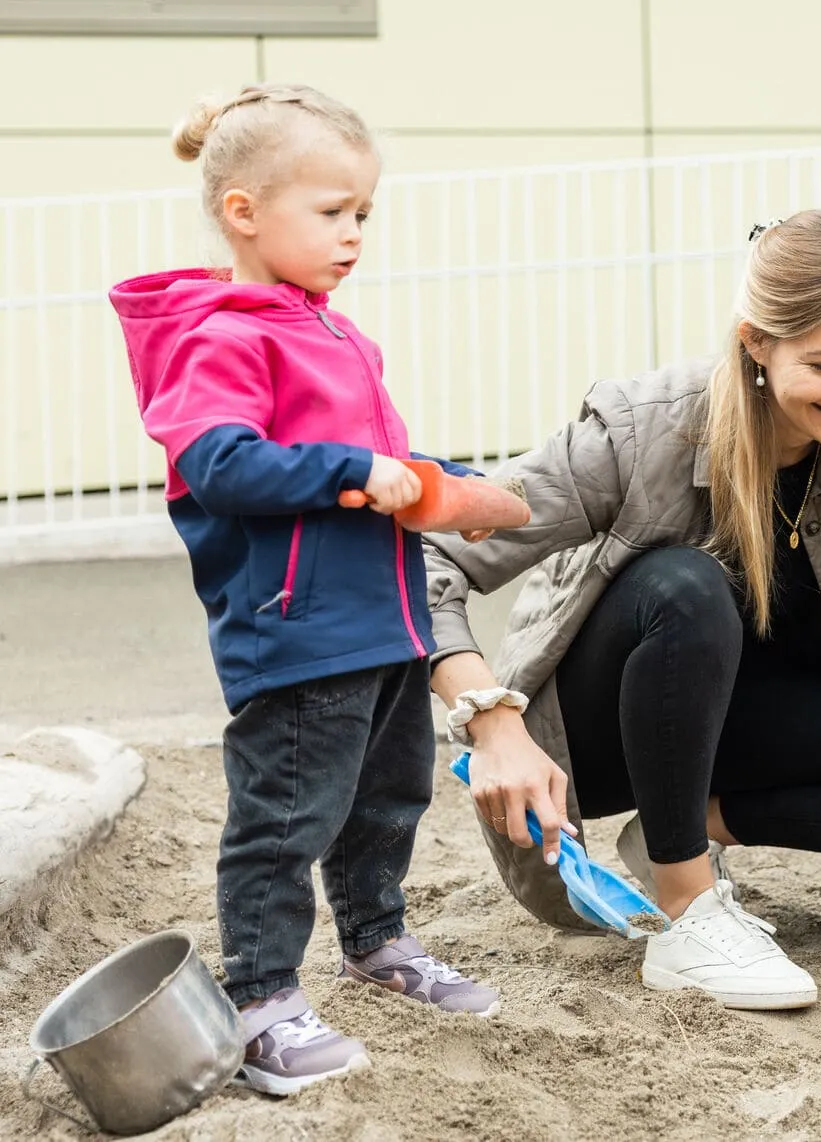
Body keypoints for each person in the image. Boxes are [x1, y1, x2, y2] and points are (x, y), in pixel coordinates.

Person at [422, 209, 821, 1011]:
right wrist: (492, 725)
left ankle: (689, 828)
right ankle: (687, 914)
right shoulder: (639, 432)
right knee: (684, 586)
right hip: (594, 739)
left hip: (730, 728)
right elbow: (432, 558)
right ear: (755, 343)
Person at [110, 83, 497, 1096]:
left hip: (385, 620)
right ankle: (260, 996)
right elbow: (222, 464)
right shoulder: (221, 335)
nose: (353, 233)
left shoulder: (334, 333)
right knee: (285, 817)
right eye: (332, 212)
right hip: (298, 628)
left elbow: (379, 462)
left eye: (363, 213)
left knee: (389, 797)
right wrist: (351, 471)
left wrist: (446, 481)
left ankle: (377, 939)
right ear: (243, 211)